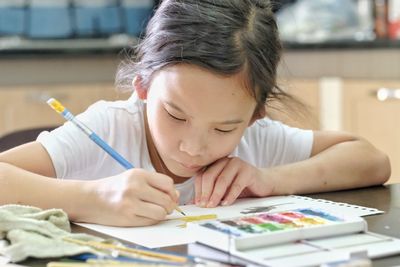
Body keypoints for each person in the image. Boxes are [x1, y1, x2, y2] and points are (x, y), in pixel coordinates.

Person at [0, 0, 390, 227]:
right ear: (143, 86)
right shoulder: (109, 127)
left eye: (224, 128)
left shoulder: (257, 141)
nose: (193, 147)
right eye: (175, 114)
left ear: (255, 115)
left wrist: (270, 179)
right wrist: (92, 198)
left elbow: (370, 160)